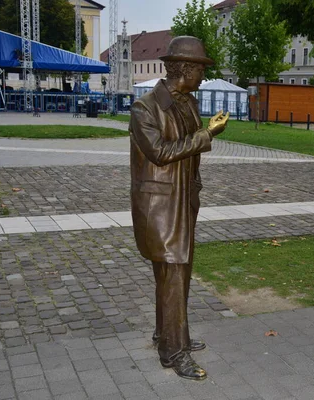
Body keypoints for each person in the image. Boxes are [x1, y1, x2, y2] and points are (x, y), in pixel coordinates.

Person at [129, 36, 229, 380]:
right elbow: (160, 152)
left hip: (183, 202)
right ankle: (175, 351)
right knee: (172, 273)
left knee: (175, 275)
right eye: (200, 69)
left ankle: (167, 334)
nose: (202, 76)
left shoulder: (188, 103)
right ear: (183, 69)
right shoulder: (145, 108)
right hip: (159, 206)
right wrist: (208, 135)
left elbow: (189, 158)